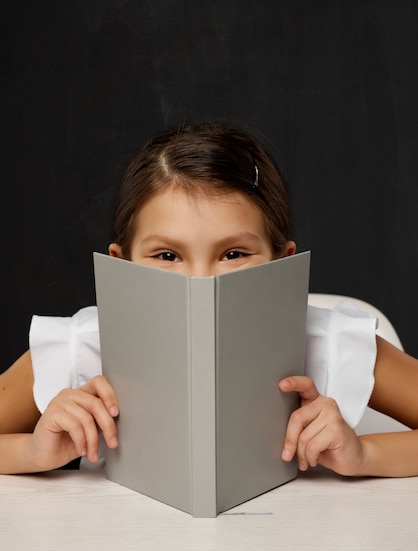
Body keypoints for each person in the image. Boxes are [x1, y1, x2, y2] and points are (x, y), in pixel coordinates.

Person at [1, 121, 418, 477]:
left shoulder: (331, 343)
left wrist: (365, 454)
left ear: (283, 263)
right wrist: (31, 452)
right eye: (167, 255)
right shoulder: (83, 345)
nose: (200, 283)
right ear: (120, 264)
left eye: (233, 254)